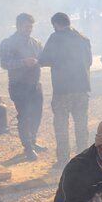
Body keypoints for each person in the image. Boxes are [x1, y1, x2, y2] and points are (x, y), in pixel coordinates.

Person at [38, 12, 92, 169]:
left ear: (55, 24)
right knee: (81, 124)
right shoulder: (83, 38)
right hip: (82, 89)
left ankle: (63, 160)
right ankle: (84, 159)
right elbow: (88, 61)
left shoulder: (56, 38)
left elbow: (44, 59)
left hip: (63, 90)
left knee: (61, 125)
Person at [0, 13, 45, 161]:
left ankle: (33, 141)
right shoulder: (8, 42)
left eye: (31, 26)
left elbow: (43, 58)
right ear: (18, 26)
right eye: (27, 26)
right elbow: (5, 63)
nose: (29, 29)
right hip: (18, 86)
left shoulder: (36, 42)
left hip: (35, 84)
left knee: (37, 115)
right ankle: (28, 147)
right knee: (24, 116)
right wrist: (23, 62)